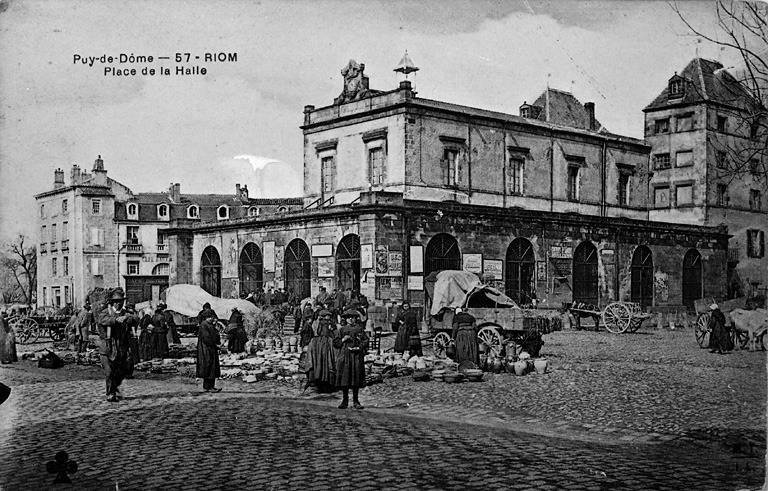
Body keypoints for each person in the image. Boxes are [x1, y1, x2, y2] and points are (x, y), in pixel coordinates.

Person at [96, 289, 132, 402]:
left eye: (120, 301)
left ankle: (114, 387)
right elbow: (102, 320)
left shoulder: (125, 312)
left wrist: (126, 318)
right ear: (112, 302)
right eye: (116, 301)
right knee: (109, 371)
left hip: (121, 346)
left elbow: (136, 318)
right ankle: (110, 393)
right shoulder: (106, 312)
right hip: (107, 346)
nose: (118, 303)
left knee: (122, 370)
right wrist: (116, 320)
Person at [334, 309, 369, 409]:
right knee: (345, 377)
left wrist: (359, 347)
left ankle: (356, 400)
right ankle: (344, 400)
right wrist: (343, 339)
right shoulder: (342, 330)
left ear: (355, 319)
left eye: (352, 318)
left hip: (356, 356)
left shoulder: (359, 329)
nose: (350, 319)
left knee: (356, 376)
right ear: (345, 319)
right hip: (345, 355)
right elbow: (335, 343)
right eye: (348, 318)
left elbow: (366, 340)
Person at [305, 309, 337, 392]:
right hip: (324, 344)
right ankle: (325, 383)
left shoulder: (316, 325)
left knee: (318, 363)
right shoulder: (326, 325)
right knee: (326, 363)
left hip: (318, 343)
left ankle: (319, 382)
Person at [196, 308, 222, 393]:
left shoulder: (210, 324)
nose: (212, 319)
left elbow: (215, 335)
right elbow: (206, 338)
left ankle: (211, 386)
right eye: (211, 317)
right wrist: (215, 344)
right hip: (206, 349)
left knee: (212, 367)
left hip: (210, 348)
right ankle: (208, 386)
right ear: (207, 317)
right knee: (208, 366)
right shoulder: (204, 325)